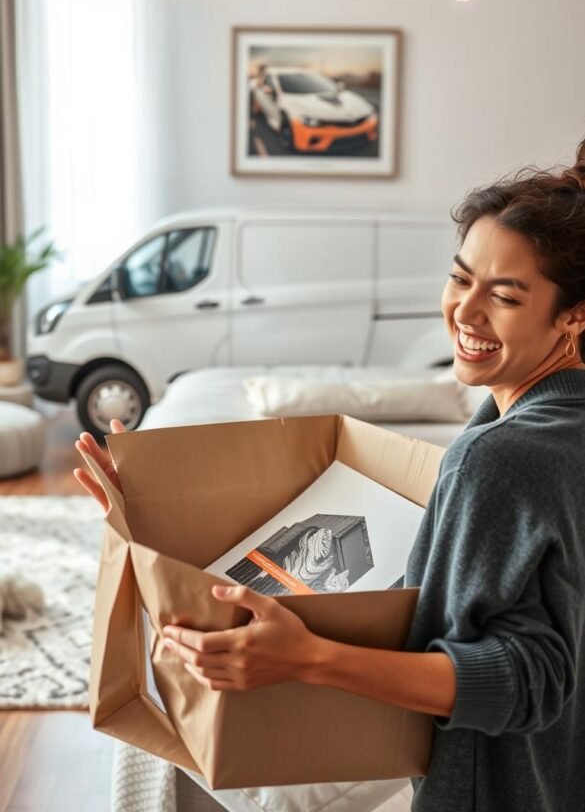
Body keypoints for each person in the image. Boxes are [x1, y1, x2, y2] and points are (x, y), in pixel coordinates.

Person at [74, 140, 585, 812]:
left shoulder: (498, 457)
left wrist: (306, 658)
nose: (464, 312)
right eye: (460, 278)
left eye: (505, 296)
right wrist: (153, 506)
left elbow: (527, 680)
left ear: (573, 316)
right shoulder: (539, 429)